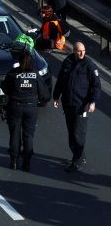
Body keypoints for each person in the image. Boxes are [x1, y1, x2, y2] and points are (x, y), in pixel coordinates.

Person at [0, 37, 50, 171]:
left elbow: (4, 88)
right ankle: (27, 163)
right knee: (28, 135)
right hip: (30, 107)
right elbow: (45, 95)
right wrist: (38, 100)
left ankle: (14, 161)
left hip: (15, 107)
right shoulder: (35, 75)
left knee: (15, 134)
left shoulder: (13, 73)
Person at [52, 42, 101, 172]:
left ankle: (77, 162)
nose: (81, 53)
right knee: (71, 133)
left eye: (83, 50)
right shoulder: (67, 62)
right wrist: (56, 96)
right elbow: (61, 81)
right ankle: (79, 156)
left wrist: (93, 102)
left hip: (81, 105)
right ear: (73, 51)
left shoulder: (89, 65)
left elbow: (96, 85)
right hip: (68, 104)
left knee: (78, 133)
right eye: (79, 51)